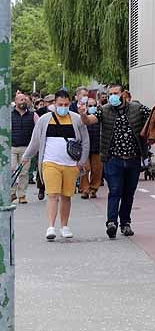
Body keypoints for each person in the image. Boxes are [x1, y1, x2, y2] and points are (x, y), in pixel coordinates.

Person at [22, 89, 89, 240]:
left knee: (66, 196)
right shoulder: (44, 119)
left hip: (71, 165)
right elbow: (36, 140)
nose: (63, 107)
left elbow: (85, 141)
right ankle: (51, 227)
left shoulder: (77, 119)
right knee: (52, 195)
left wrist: (81, 163)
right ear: (54, 104)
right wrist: (27, 156)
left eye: (66, 104)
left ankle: (64, 226)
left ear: (70, 103)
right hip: (50, 163)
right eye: (60, 104)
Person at [96, 83, 151, 239]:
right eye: (110, 93)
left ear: (123, 94)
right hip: (113, 159)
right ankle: (111, 222)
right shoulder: (105, 110)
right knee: (115, 190)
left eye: (116, 92)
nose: (113, 96)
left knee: (129, 192)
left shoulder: (136, 108)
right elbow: (90, 120)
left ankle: (125, 223)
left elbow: (153, 117)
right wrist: (84, 115)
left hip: (133, 158)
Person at [11, 91, 37, 204]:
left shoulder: (33, 115)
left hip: (26, 148)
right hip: (12, 147)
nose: (23, 102)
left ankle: (22, 195)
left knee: (24, 172)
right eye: (21, 100)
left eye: (25, 100)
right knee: (11, 170)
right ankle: (11, 193)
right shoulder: (9, 114)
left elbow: (39, 127)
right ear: (15, 101)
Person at [79, 96, 103, 199]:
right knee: (85, 168)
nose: (92, 107)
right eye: (90, 105)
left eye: (94, 105)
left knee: (97, 169)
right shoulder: (83, 118)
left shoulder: (100, 117)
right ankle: (85, 189)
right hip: (85, 147)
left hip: (97, 146)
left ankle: (93, 189)